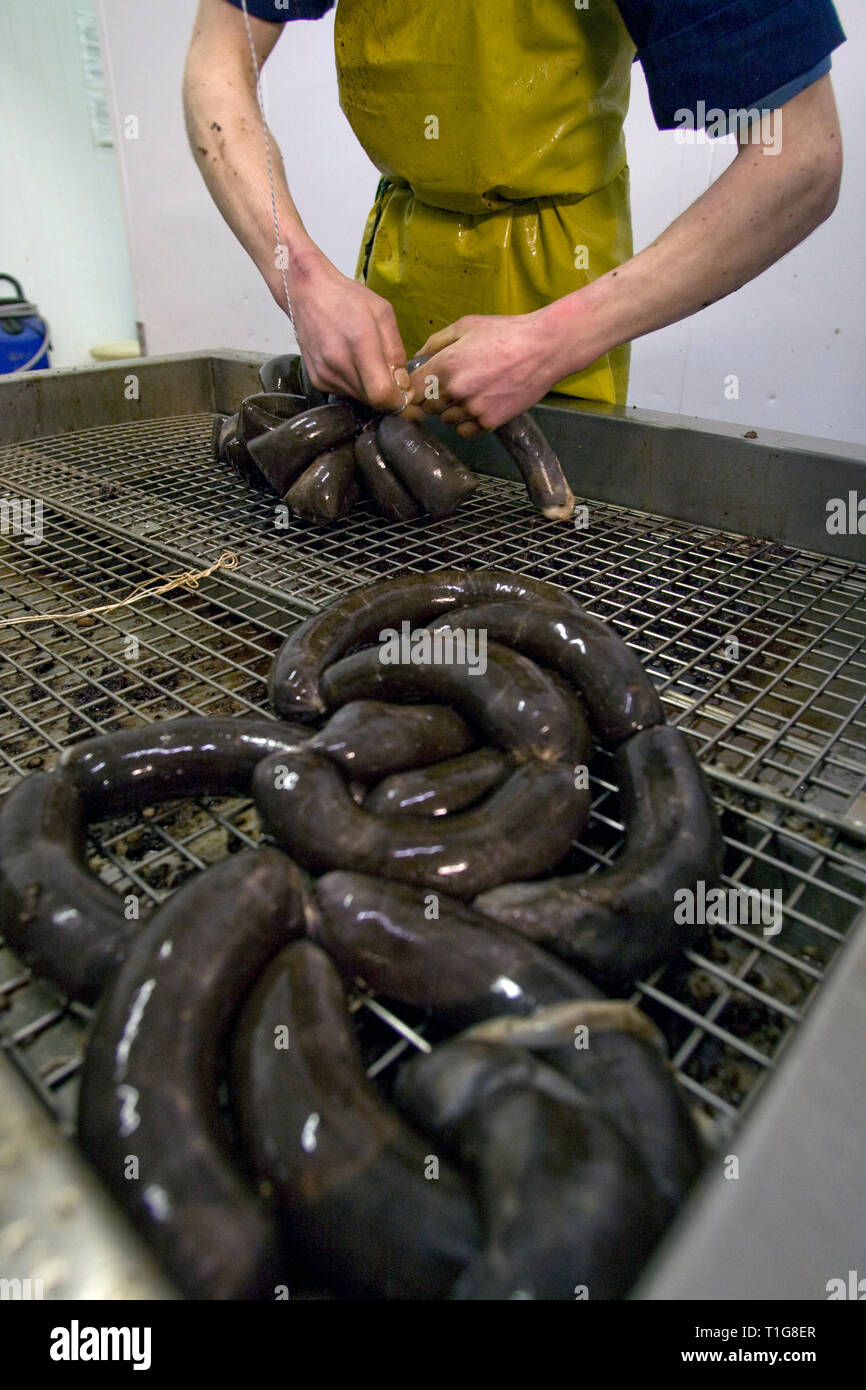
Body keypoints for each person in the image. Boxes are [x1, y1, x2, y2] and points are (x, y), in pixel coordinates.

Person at [183, 0, 844, 437]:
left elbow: (802, 159)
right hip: (403, 256)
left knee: (547, 566)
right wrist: (299, 274)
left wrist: (554, 340)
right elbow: (219, 62)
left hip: (563, 276)